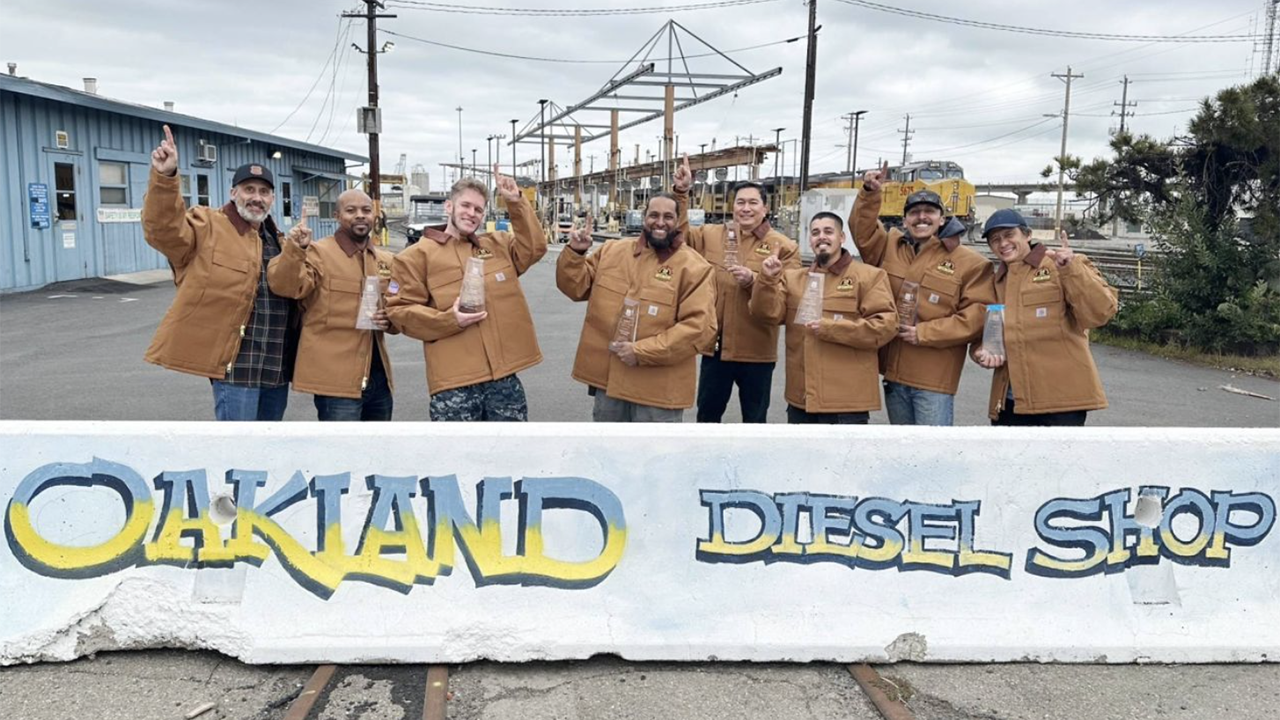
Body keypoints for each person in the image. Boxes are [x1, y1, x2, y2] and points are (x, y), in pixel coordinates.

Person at [141, 124, 298, 421]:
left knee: (267, 451)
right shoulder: (205, 226)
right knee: (236, 453)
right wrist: (165, 177)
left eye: (264, 191)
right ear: (233, 192)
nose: (257, 197)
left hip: (277, 367)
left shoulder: (279, 241)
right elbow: (164, 230)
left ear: (273, 199)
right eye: (249, 189)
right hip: (236, 368)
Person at [385, 168, 546, 421]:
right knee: (455, 458)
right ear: (449, 206)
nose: (472, 213)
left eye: (478, 209)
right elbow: (399, 311)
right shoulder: (416, 257)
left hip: (503, 381)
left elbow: (535, 248)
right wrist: (450, 320)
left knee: (512, 455)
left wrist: (516, 202)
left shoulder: (497, 246)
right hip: (454, 385)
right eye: (466, 205)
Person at [850, 162, 996, 425]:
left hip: (934, 380)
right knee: (903, 451)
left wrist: (924, 333)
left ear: (942, 218)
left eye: (930, 212)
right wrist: (869, 194)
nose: (922, 217)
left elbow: (976, 317)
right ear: (905, 219)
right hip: (893, 373)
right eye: (914, 212)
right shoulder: (890, 245)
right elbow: (862, 231)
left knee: (932, 455)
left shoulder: (970, 263)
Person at [556, 196, 716, 422]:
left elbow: (698, 329)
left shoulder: (694, 268)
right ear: (644, 218)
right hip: (610, 388)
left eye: (668, 217)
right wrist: (576, 254)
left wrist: (641, 352)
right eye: (654, 215)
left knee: (655, 456)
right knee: (608, 453)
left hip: (658, 394)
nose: (660, 222)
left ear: (678, 221)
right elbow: (575, 287)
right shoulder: (613, 251)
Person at [671, 155, 800, 423]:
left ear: (765, 208)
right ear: (733, 207)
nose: (746, 208)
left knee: (755, 420)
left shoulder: (785, 247)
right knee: (707, 416)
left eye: (753, 202)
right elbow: (679, 236)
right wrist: (682, 193)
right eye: (740, 202)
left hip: (757, 352)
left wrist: (754, 280)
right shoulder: (712, 235)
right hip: (716, 349)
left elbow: (787, 298)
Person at [970, 211, 1118, 425]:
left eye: (1009, 234)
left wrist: (1071, 269)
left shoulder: (1061, 265)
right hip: (1010, 402)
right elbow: (983, 333)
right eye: (995, 239)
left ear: (1027, 235)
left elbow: (1100, 312)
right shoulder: (998, 281)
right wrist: (980, 352)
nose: (1003, 243)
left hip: (1061, 403)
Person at [749, 212, 897, 424]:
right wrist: (767, 280)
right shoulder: (794, 279)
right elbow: (766, 313)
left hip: (846, 403)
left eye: (829, 231)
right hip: (802, 399)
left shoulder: (869, 277)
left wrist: (831, 328)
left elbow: (885, 326)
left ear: (842, 237)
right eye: (815, 232)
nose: (821, 237)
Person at [267, 189, 397, 421]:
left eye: (366, 210)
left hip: (378, 380)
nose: (360, 215)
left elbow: (399, 305)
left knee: (377, 453)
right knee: (341, 454)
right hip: (336, 383)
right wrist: (295, 249)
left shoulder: (385, 261)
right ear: (337, 216)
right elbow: (286, 286)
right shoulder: (318, 253)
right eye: (351, 210)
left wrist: (392, 320)